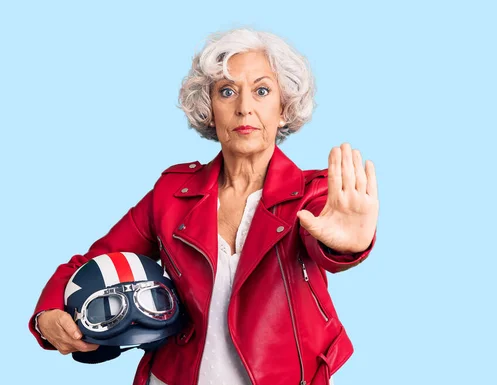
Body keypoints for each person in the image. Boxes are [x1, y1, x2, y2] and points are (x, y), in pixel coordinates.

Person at [29, 28, 379, 385]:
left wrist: (344, 246)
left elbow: (328, 241)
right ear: (209, 108)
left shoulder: (314, 192)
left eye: (262, 91)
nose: (244, 107)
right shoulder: (171, 194)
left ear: (284, 108)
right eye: (227, 91)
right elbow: (94, 263)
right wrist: (48, 315)